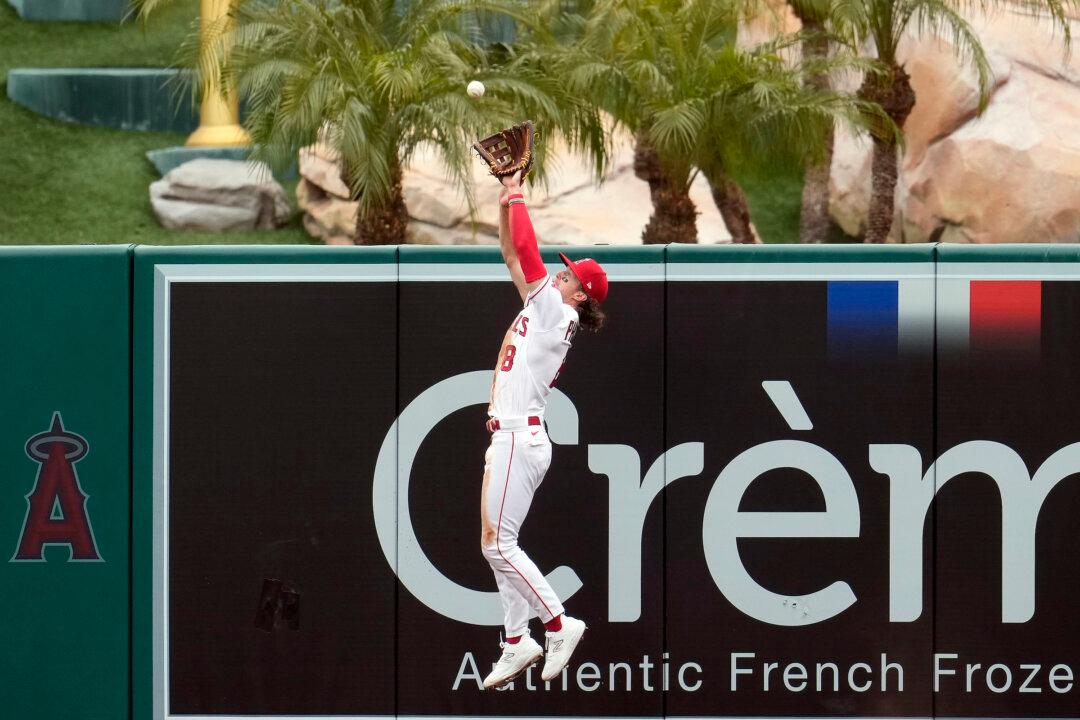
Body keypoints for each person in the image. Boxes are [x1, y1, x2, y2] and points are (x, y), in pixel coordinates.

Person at [479, 169, 608, 690]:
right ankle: (515, 641)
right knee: (499, 543)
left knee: (497, 546)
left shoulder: (557, 312)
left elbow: (530, 256)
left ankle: (558, 623)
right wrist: (502, 197)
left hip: (518, 436)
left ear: (580, 296)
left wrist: (516, 191)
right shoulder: (546, 304)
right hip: (511, 436)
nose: (561, 275)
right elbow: (513, 255)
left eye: (570, 276)